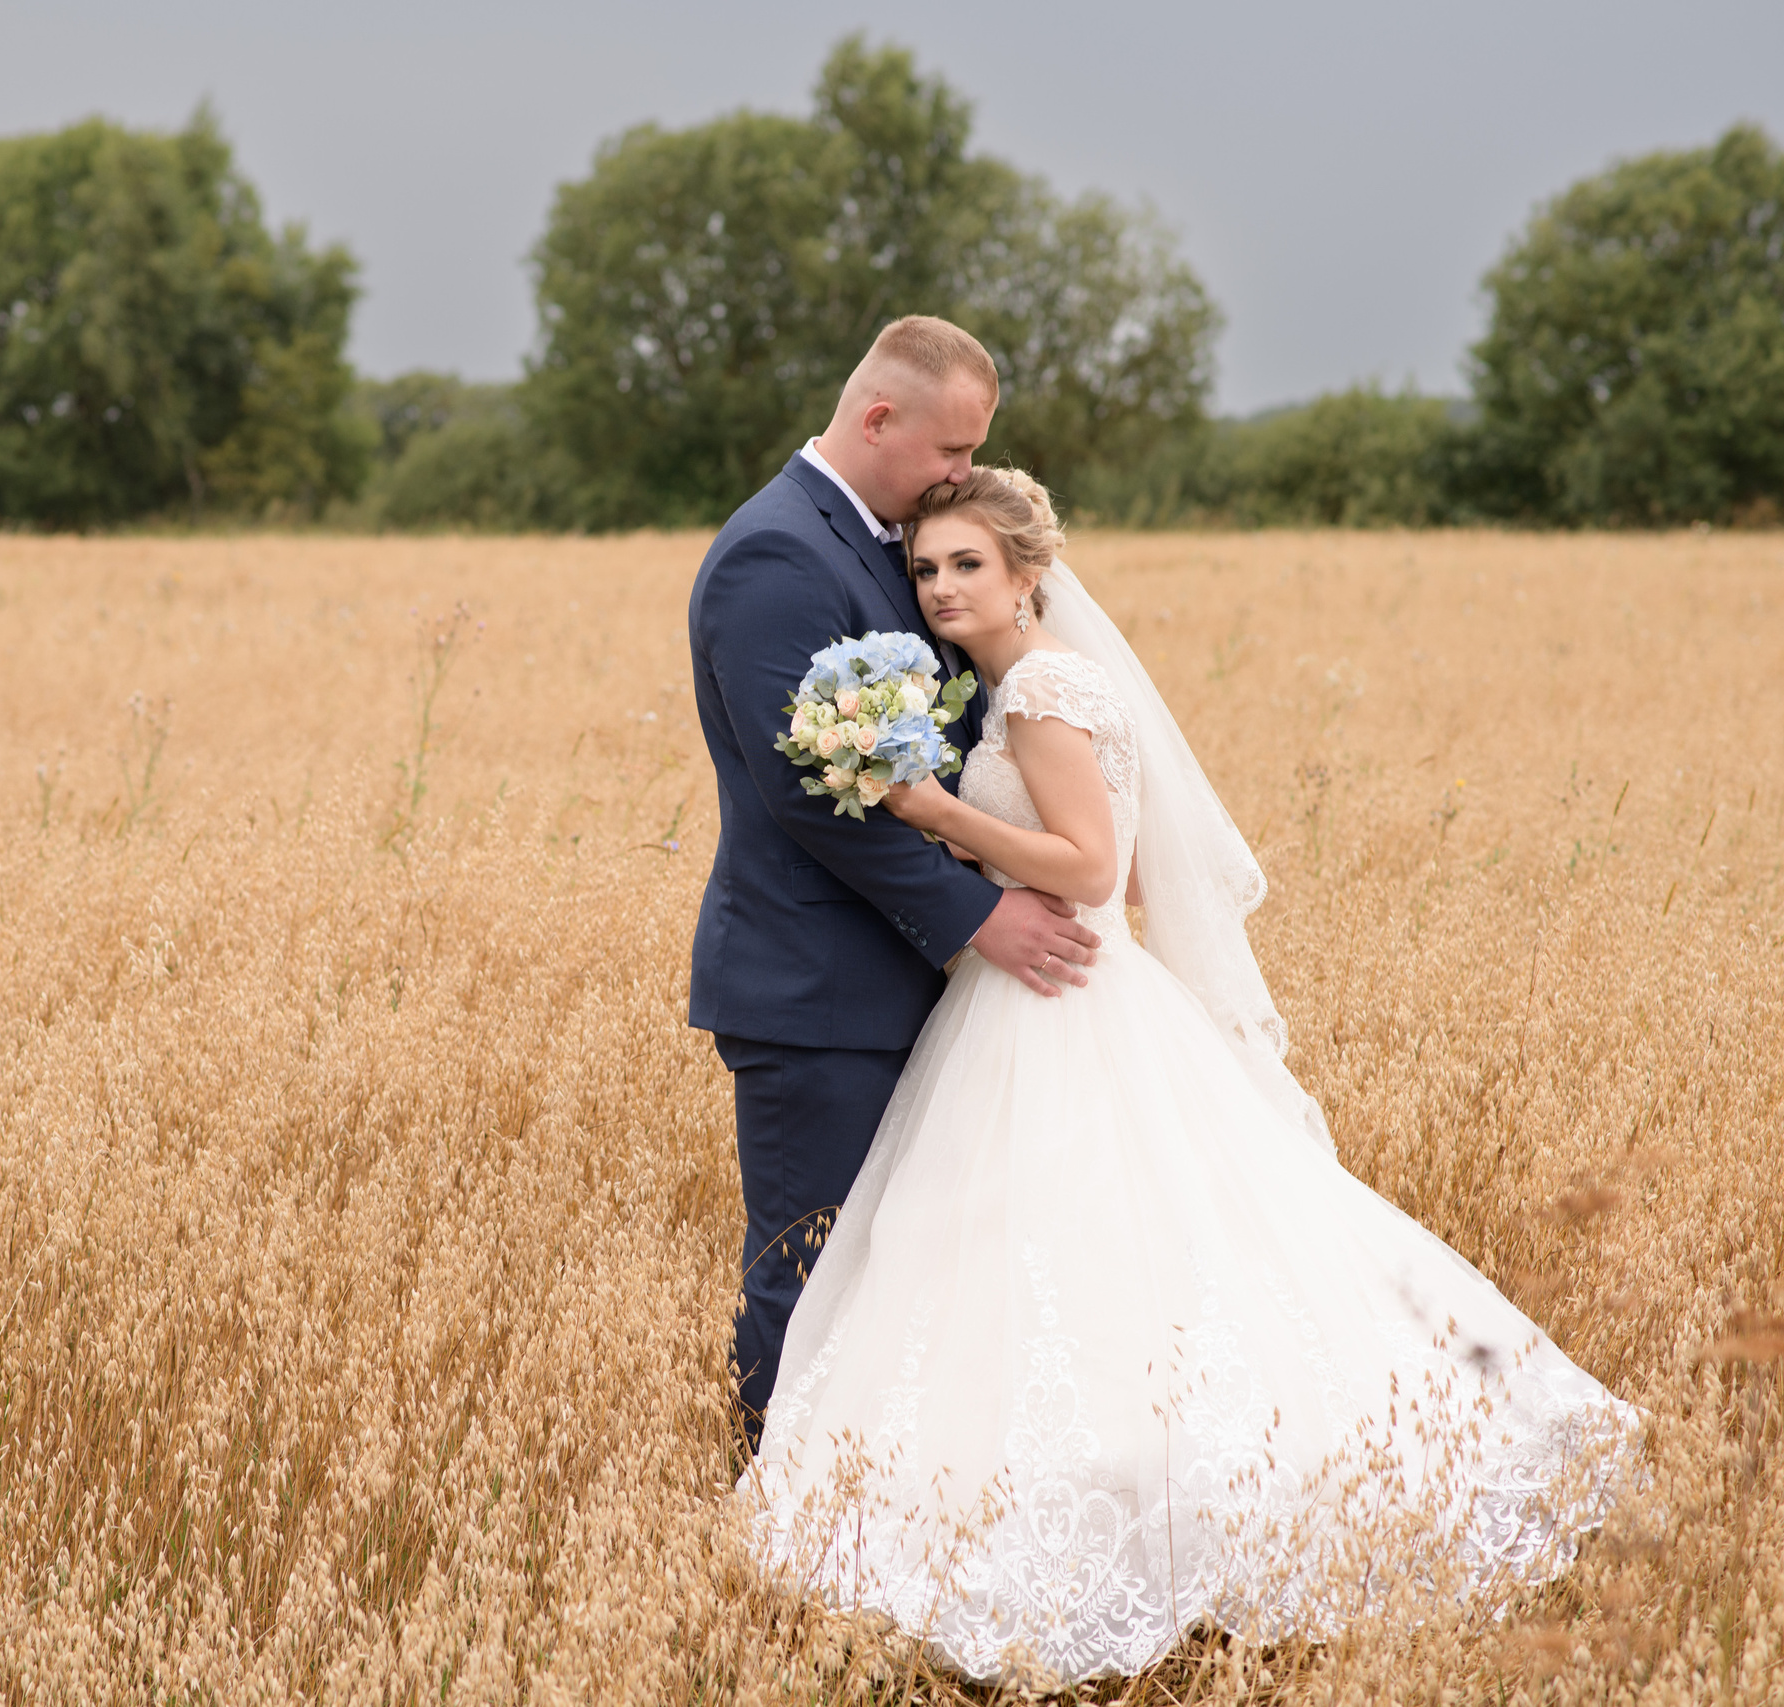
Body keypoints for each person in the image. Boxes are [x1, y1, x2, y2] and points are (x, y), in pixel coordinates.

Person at [739, 467, 1642, 1684]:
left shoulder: (1042, 688)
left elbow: (1089, 870)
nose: (941, 588)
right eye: (926, 569)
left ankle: (1145, 1508)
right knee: (1083, 1255)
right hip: (1053, 986)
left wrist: (926, 811)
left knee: (1072, 1249)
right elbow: (1132, 869)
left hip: (1058, 999)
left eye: (968, 565)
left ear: (1027, 576)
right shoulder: (1022, 687)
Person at [686, 317, 1101, 1449]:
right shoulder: (776, 555)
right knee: (815, 1270)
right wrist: (981, 915)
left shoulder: (892, 542)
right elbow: (807, 792)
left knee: (916, 1277)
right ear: (879, 419)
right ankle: (767, 1511)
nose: (964, 474)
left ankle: (881, 1504)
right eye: (952, 449)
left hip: (917, 989)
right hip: (818, 993)